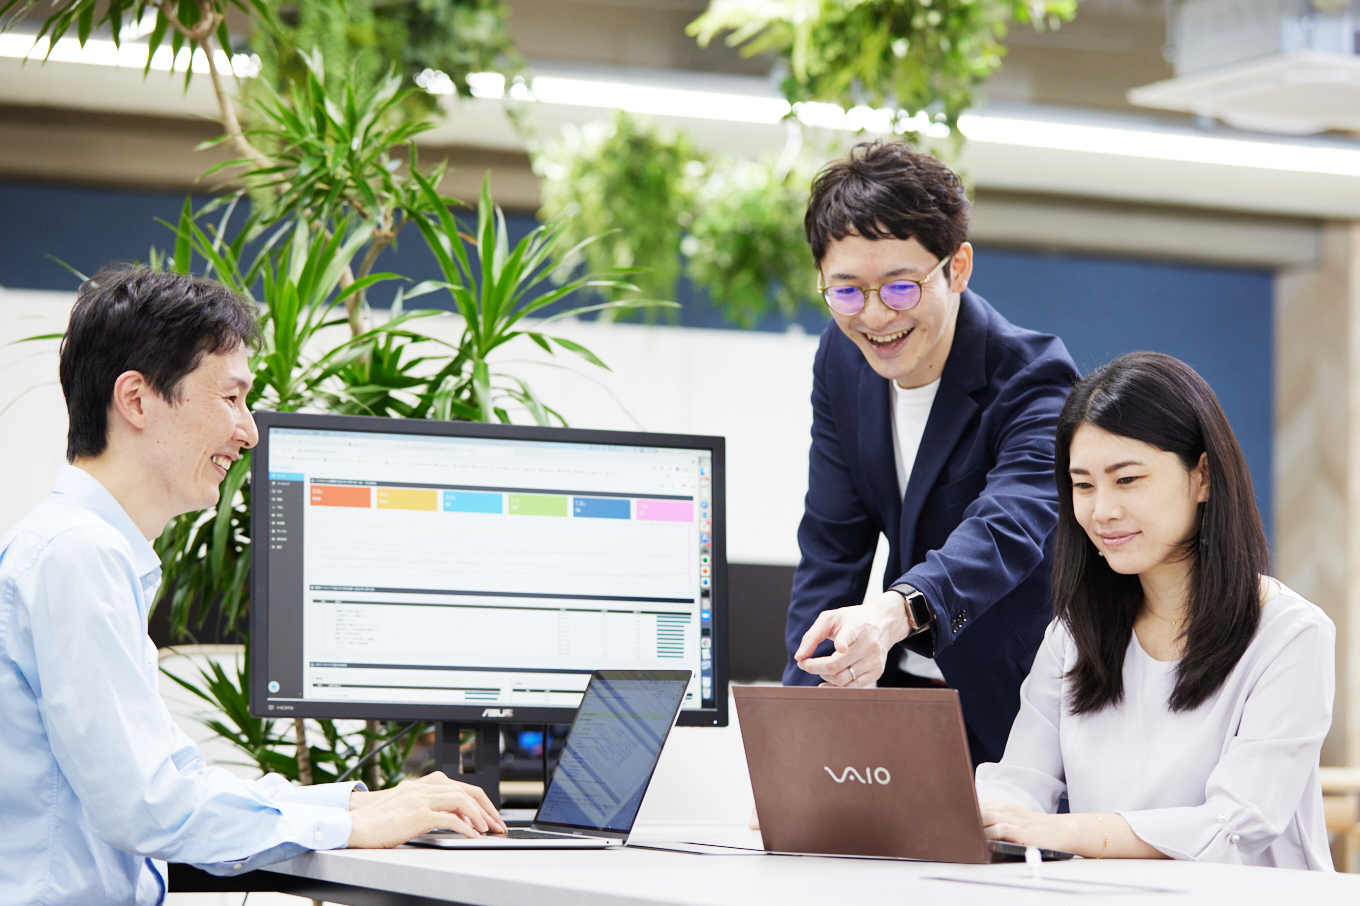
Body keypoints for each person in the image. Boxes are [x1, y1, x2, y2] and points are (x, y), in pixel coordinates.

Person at [0, 266, 505, 906]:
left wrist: (355, 805)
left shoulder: (78, 550)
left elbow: (174, 779)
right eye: (231, 398)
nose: (250, 430)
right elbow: (147, 805)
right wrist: (352, 826)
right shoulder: (76, 555)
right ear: (136, 400)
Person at [976, 351, 1334, 869]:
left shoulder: (1290, 634)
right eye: (1083, 485)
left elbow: (1235, 823)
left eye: (1127, 480)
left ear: (1203, 476)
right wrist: (984, 815)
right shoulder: (1073, 635)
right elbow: (1018, 782)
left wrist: (1062, 831)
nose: (1102, 511)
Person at [786, 140, 1080, 764]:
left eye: (900, 287)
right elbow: (831, 551)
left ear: (958, 268)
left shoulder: (1034, 379)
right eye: (846, 291)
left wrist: (898, 611)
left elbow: (1005, 530)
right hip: (904, 705)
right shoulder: (841, 361)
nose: (874, 318)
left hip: (1020, 710)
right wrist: (795, 738)